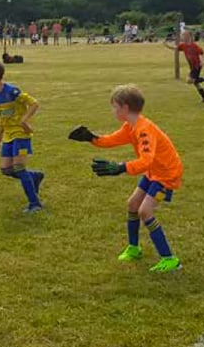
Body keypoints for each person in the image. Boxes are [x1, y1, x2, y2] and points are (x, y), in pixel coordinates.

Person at [68, 84, 183, 272]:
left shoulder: (144, 130)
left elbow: (146, 160)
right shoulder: (130, 126)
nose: (112, 110)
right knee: (132, 204)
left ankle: (170, 259)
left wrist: (121, 167)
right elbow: (111, 140)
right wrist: (92, 138)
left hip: (166, 175)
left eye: (114, 106)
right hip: (153, 172)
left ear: (125, 108)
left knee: (145, 211)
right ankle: (134, 248)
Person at [0, 57, 44, 213]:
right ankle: (34, 176)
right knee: (6, 170)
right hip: (8, 136)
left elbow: (34, 103)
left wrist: (24, 120)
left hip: (21, 135)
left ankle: (35, 204)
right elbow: (3, 116)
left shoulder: (12, 91)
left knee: (19, 168)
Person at [164, 30, 204, 103]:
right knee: (196, 83)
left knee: (189, 80)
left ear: (188, 36)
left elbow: (201, 53)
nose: (182, 37)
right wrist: (167, 46)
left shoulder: (194, 45)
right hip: (192, 66)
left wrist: (202, 61)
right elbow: (175, 48)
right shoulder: (183, 45)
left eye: (183, 36)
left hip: (196, 65)